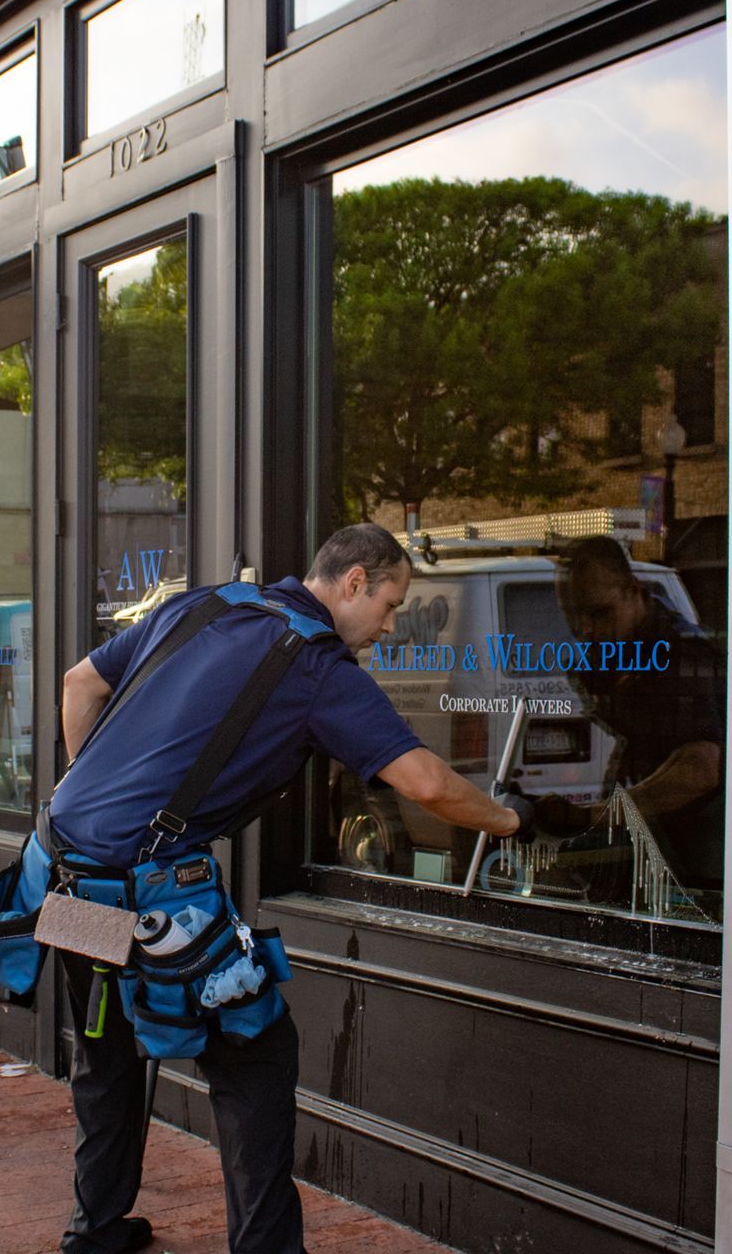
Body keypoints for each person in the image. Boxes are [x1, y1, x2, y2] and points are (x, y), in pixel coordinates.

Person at [46, 522, 526, 1254]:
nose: (392, 625)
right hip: (148, 890)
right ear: (354, 582)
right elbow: (426, 782)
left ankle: (95, 1230)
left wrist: (101, 800)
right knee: (254, 1056)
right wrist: (512, 820)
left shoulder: (202, 606)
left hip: (69, 867)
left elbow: (81, 684)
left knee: (105, 1046)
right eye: (391, 603)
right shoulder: (317, 668)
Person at [536, 536, 726, 907]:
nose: (587, 630)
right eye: (577, 618)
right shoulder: (617, 654)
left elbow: (699, 769)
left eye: (600, 613)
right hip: (649, 853)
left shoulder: (683, 657)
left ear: (633, 591)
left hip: (691, 864)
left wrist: (597, 816)